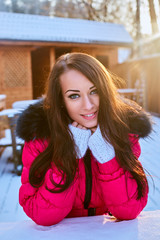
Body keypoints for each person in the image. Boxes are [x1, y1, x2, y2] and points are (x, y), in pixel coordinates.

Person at [17, 52, 152, 226]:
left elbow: (129, 210)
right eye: (74, 95)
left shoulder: (123, 132)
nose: (88, 105)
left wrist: (107, 156)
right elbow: (42, 216)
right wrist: (67, 158)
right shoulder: (41, 138)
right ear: (60, 100)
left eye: (94, 91)